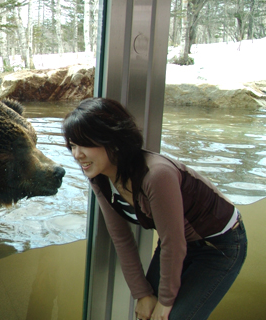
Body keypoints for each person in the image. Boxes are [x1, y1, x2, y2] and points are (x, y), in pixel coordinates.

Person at [62, 97, 247, 320]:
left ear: (113, 140)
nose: (77, 154)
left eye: (85, 144)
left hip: (219, 245)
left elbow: (173, 242)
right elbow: (121, 238)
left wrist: (166, 302)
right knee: (146, 313)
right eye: (72, 145)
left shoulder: (156, 174)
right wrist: (142, 294)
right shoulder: (99, 177)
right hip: (178, 242)